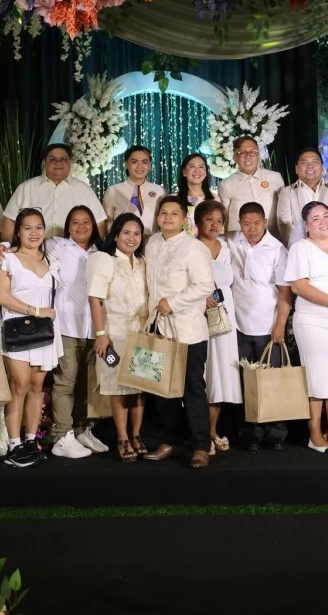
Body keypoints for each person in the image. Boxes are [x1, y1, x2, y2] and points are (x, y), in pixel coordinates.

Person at [143, 195, 216, 468]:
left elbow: (204, 285)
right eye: (164, 213)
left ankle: (200, 446)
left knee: (192, 388)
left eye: (174, 214)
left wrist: (172, 303)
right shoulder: (152, 243)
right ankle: (169, 441)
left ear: (184, 219)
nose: (168, 218)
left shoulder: (193, 248)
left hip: (187, 330)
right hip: (158, 329)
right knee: (162, 390)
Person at [0, 208, 65, 468]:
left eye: (38, 228)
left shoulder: (51, 259)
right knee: (19, 385)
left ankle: (31, 440)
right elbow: (1, 296)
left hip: (44, 333)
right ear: (18, 232)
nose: (34, 233)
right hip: (17, 331)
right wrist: (36, 311)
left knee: (36, 388)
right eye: (27, 228)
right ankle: (14, 444)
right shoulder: (5, 259)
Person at [285, 202, 328, 454]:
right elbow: (298, 286)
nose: (323, 221)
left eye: (326, 216)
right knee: (316, 379)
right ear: (306, 225)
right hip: (312, 321)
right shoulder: (300, 248)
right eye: (315, 219)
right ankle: (315, 434)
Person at [228, 202, 292, 451]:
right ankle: (251, 434)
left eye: (256, 223)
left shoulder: (277, 249)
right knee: (246, 382)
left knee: (272, 382)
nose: (251, 228)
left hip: (268, 327)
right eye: (246, 223)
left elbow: (285, 292)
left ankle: (276, 433)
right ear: (239, 223)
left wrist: (280, 325)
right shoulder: (232, 241)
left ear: (265, 222)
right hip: (238, 327)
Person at [87, 213, 150, 462]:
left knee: (139, 389)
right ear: (116, 235)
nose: (131, 238)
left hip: (141, 334)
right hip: (115, 334)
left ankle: (136, 435)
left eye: (136, 233)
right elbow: (95, 298)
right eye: (126, 232)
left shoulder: (143, 262)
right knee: (118, 389)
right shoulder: (105, 260)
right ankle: (122, 437)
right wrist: (101, 335)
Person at [46, 205, 108, 459]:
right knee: (65, 382)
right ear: (67, 226)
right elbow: (23, 245)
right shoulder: (55, 245)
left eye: (86, 222)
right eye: (75, 222)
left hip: (95, 328)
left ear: (94, 225)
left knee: (87, 384)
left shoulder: (102, 252)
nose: (81, 226)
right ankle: (62, 435)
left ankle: (82, 430)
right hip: (67, 326)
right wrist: (2, 248)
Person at [194, 199, 239, 455]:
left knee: (221, 372)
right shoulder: (191, 247)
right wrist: (202, 298)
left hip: (225, 316)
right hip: (198, 315)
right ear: (198, 222)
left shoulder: (227, 247)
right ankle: (199, 434)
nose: (214, 224)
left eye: (219, 220)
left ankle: (212, 430)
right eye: (209, 219)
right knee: (202, 373)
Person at [1, 144, 107, 242]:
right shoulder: (25, 188)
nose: (58, 162)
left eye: (63, 159)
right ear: (44, 162)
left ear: (70, 162)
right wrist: (12, 251)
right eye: (52, 159)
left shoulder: (85, 190)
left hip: (74, 255)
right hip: (33, 255)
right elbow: (9, 221)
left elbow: (100, 225)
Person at [276, 148, 328, 246]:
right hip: (300, 248)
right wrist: (304, 244)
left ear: (323, 168)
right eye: (304, 163)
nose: (310, 166)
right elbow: (284, 223)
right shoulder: (287, 193)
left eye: (315, 162)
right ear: (296, 169)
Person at [217, 136, 284, 236]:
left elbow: (283, 211)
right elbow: (223, 219)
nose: (248, 156)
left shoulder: (275, 178)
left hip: (272, 239)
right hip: (239, 242)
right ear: (235, 157)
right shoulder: (226, 184)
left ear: (258, 155)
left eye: (252, 152)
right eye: (242, 152)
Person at [103, 145, 166, 235]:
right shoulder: (114, 190)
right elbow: (106, 222)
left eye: (144, 162)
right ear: (126, 164)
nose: (139, 166)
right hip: (123, 244)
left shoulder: (160, 191)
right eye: (134, 162)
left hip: (152, 244)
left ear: (150, 165)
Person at [176, 152, 216, 236]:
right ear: (184, 172)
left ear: (206, 172)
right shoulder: (174, 199)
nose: (197, 170)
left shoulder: (215, 199)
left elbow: (219, 228)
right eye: (192, 166)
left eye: (201, 166)